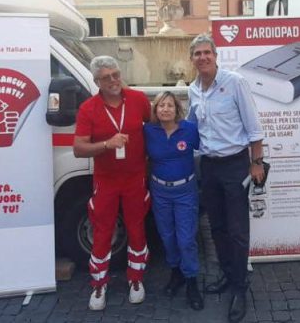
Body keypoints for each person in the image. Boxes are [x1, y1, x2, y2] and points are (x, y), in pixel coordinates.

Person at [187, 34, 264, 323]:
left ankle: (240, 288)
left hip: (235, 165)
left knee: (237, 230)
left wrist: (256, 162)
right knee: (216, 226)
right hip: (209, 166)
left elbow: (254, 127)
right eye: (197, 53)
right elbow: (191, 129)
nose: (203, 57)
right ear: (192, 59)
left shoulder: (234, 82)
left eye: (207, 52)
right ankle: (228, 274)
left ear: (215, 55)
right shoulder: (193, 90)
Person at [73, 56, 152, 311]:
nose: (114, 80)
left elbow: (153, 127)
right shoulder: (88, 108)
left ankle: (136, 279)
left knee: (137, 228)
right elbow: (78, 148)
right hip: (105, 180)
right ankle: (99, 283)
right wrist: (107, 144)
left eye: (116, 74)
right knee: (102, 231)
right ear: (97, 81)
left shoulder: (138, 99)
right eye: (106, 77)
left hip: (135, 177)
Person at [144, 91, 204, 310]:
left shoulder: (189, 129)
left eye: (170, 105)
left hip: (185, 191)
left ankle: (191, 281)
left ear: (177, 109)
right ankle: (176, 273)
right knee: (167, 236)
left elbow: (207, 147)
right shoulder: (148, 130)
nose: (165, 109)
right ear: (155, 109)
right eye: (161, 105)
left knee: (186, 239)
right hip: (160, 192)